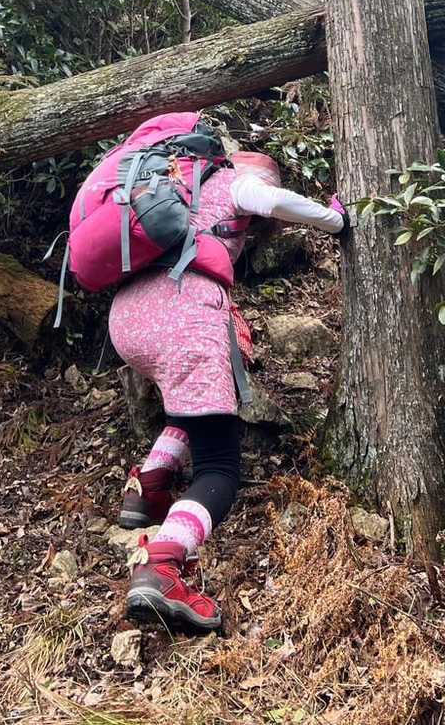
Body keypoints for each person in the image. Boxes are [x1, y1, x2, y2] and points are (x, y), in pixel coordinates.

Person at [109, 144, 346, 632]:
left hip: (128, 317)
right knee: (219, 467)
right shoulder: (236, 182)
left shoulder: (178, 185)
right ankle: (163, 564)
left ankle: (147, 488)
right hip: (182, 316)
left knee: (191, 406)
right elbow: (276, 201)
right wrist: (336, 219)